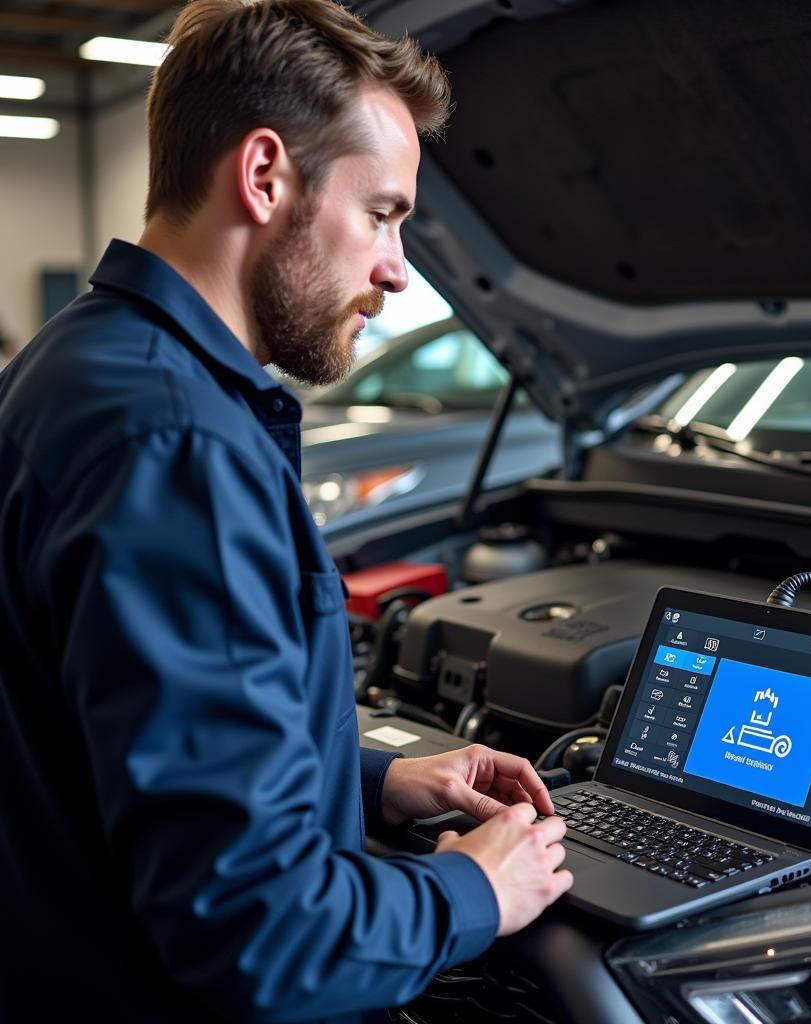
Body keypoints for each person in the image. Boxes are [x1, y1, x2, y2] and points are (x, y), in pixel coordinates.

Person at [0, 2, 573, 1021]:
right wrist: (473, 891)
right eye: (384, 214)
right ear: (264, 176)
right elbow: (257, 929)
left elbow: (120, 736)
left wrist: (375, 779)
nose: (397, 270)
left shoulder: (77, 365)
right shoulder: (178, 446)